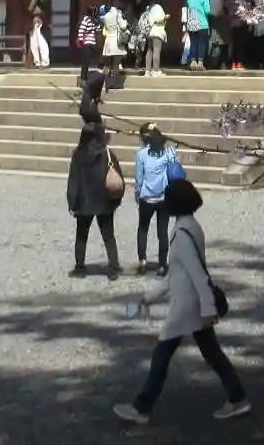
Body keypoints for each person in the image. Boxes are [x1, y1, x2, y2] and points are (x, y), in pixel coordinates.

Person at [112, 178, 249, 425]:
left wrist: (207, 309)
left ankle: (142, 407)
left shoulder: (181, 234)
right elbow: (179, 273)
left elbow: (196, 273)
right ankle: (237, 397)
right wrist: (150, 298)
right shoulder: (192, 227)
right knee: (212, 353)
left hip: (187, 306)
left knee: (162, 354)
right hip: (194, 305)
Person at [67, 73, 123, 277]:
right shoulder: (107, 153)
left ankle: (80, 267)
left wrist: (72, 201)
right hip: (103, 200)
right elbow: (118, 176)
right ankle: (114, 267)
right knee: (108, 235)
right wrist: (115, 200)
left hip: (84, 201)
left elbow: (73, 181)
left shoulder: (78, 155)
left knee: (81, 235)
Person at [133, 124, 180, 276]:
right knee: (162, 232)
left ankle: (142, 261)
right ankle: (162, 265)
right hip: (164, 197)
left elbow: (139, 178)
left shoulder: (141, 154)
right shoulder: (169, 152)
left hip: (146, 196)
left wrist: (137, 193)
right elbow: (175, 171)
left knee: (143, 229)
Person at [102, 0, 130, 88]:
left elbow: (106, 28)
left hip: (108, 40)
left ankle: (107, 82)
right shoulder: (118, 13)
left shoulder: (105, 16)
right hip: (116, 40)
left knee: (107, 64)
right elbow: (123, 26)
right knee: (116, 64)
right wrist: (126, 22)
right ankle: (115, 83)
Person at [139, 0, 169, 77]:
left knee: (149, 50)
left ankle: (147, 71)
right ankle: (155, 70)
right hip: (157, 32)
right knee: (156, 51)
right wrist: (165, 17)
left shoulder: (149, 8)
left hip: (149, 32)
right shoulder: (158, 8)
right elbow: (158, 20)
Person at [185, 0, 212, 70]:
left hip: (192, 23)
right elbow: (207, 11)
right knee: (202, 44)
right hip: (202, 23)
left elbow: (188, 8)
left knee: (193, 43)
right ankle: (200, 63)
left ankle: (193, 62)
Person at [75, 4, 104, 83]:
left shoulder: (94, 20)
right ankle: (83, 78)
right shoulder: (87, 19)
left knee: (96, 58)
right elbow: (81, 30)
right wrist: (81, 40)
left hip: (92, 42)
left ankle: (97, 73)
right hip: (87, 43)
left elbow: (98, 29)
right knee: (86, 61)